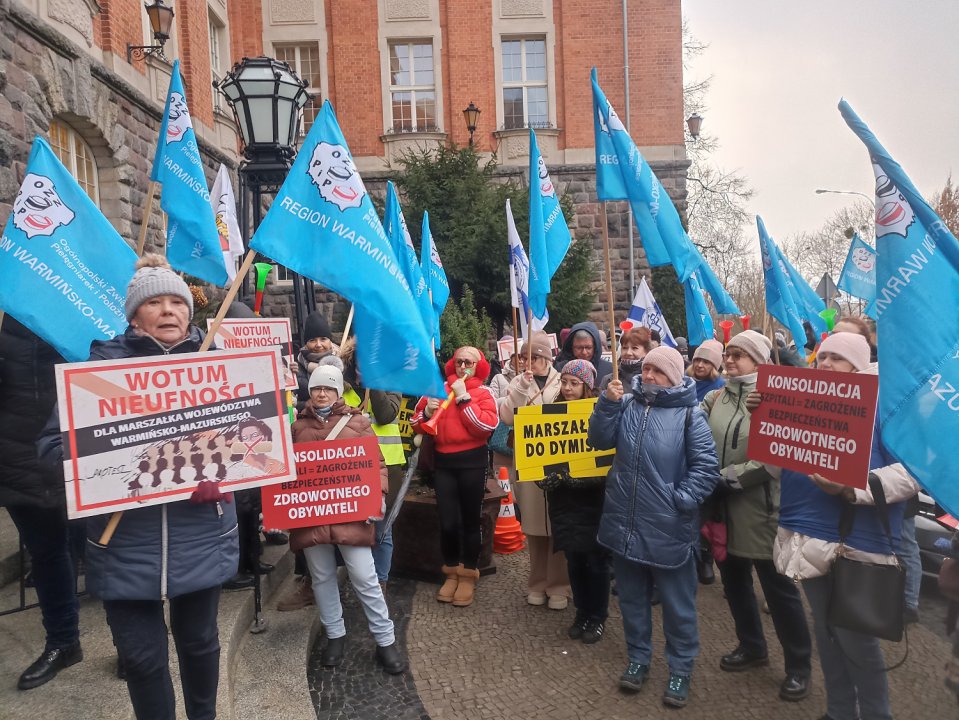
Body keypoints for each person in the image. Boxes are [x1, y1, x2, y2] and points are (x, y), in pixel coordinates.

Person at [37, 255, 240, 720]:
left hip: (201, 536)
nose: (168, 310)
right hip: (123, 544)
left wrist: (226, 476)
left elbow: (257, 447)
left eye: (177, 302)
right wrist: (111, 466)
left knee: (200, 643)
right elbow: (51, 449)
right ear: (133, 316)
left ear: (190, 311)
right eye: (154, 302)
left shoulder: (224, 368)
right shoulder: (96, 372)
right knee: (142, 659)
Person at [770, 332, 916, 720]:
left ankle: (876, 714)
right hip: (809, 533)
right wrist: (768, 418)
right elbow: (779, 464)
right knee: (826, 630)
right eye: (822, 357)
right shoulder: (805, 401)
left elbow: (911, 474)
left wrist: (852, 487)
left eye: (837, 358)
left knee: (856, 640)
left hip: (857, 541)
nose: (826, 363)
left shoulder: (887, 406)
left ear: (859, 364)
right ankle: (839, 711)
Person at [589, 346, 720, 708]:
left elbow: (706, 468)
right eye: (646, 369)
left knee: (678, 606)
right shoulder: (626, 404)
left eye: (658, 371)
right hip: (625, 522)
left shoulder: (690, 415)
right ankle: (638, 658)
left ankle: (680, 668)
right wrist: (607, 404)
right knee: (632, 600)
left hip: (668, 527)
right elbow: (598, 441)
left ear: (674, 377)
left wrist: (679, 501)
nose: (648, 375)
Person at [701, 330, 812, 702]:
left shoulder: (777, 399)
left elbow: (775, 458)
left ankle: (798, 666)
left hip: (762, 509)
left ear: (760, 362)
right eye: (728, 354)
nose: (730, 360)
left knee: (779, 591)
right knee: (734, 584)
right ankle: (751, 646)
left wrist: (728, 479)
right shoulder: (717, 397)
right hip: (722, 508)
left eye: (739, 355)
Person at [289, 362, 406, 674]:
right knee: (322, 577)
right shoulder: (297, 428)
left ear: (338, 391)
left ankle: (385, 640)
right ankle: (335, 635)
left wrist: (377, 498)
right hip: (313, 514)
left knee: (365, 576)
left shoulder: (358, 422)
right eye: (317, 388)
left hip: (350, 514)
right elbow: (288, 473)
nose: (322, 393)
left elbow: (376, 465)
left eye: (328, 388)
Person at [0, 316, 82, 690]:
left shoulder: (81, 323)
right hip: (20, 462)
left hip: (80, 456)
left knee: (104, 551)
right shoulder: (7, 326)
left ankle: (128, 643)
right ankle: (63, 642)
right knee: (47, 555)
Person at [411, 346, 498, 607]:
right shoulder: (437, 389)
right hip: (444, 464)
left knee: (470, 521)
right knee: (447, 522)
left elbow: (485, 427)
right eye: (459, 362)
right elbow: (416, 424)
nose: (462, 367)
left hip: (472, 463)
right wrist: (426, 414)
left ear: (478, 366)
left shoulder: (484, 393)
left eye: (468, 363)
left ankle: (468, 573)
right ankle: (450, 571)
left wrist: (463, 399)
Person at [538, 359, 609, 642]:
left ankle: (598, 616)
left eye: (574, 383)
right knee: (574, 560)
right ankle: (582, 612)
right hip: (562, 501)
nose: (568, 388)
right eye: (564, 382)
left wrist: (583, 480)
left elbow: (606, 461)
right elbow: (538, 454)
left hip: (592, 502)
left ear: (586, 386)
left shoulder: (599, 414)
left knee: (596, 561)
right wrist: (542, 480)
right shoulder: (549, 414)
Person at [500, 333, 571, 609]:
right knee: (534, 528)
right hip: (529, 463)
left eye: (534, 357)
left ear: (546, 358)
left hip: (558, 463)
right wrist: (521, 387)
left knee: (558, 527)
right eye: (524, 357)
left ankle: (559, 585)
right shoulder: (518, 382)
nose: (528, 362)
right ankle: (537, 583)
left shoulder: (562, 381)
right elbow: (507, 417)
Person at [338, 340, 405, 589]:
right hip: (352, 467)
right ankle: (360, 580)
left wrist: (373, 382)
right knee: (355, 526)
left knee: (381, 528)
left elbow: (386, 415)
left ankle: (381, 583)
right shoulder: (340, 383)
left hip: (387, 466)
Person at [295, 310, 338, 405]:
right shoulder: (296, 368)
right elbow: (291, 402)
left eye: (323, 339)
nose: (318, 345)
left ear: (330, 341)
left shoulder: (344, 363)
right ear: (306, 344)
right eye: (312, 340)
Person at [598, 326, 652, 392]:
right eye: (625, 348)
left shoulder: (652, 378)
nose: (628, 353)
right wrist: (608, 397)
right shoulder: (609, 380)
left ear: (646, 351)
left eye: (634, 348)